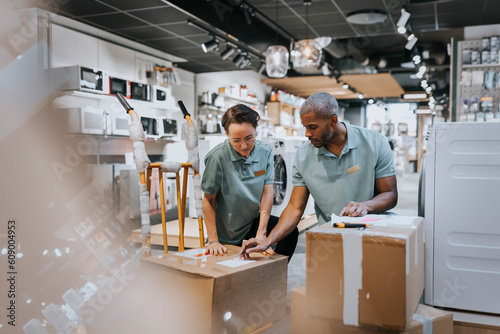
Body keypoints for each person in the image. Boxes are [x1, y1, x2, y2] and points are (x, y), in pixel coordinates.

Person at [240, 92, 398, 257]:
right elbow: (295, 208)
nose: (307, 133)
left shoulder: (374, 143)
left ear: (333, 121)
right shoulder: (303, 156)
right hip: (330, 239)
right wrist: (268, 240)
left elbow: (390, 194)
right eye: (305, 127)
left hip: (373, 235)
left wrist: (366, 206)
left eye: (313, 127)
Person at [202, 104, 298, 259]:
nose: (244, 146)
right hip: (226, 231)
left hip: (252, 223)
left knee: (289, 231)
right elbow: (208, 200)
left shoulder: (265, 151)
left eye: (249, 138)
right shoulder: (217, 157)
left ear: (255, 131)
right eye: (236, 140)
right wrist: (213, 240)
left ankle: (272, 274)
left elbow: (267, 193)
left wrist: (262, 233)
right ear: (226, 134)